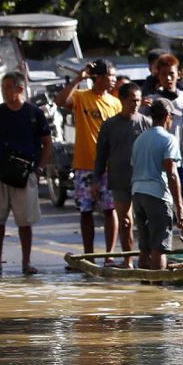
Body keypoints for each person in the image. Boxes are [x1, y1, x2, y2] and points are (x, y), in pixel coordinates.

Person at [56, 57, 121, 256]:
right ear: (99, 78)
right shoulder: (82, 97)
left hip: (109, 167)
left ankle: (109, 255)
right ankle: (89, 254)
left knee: (110, 210)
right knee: (86, 211)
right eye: (110, 76)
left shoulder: (115, 103)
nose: (113, 80)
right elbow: (60, 101)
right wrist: (77, 80)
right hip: (85, 166)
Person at [147, 55, 183, 248]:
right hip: (160, 165)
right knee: (163, 210)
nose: (168, 78)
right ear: (157, 76)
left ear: (178, 75)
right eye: (163, 74)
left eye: (171, 74)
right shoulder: (152, 102)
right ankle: (162, 253)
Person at [129, 99, 183, 269]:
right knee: (159, 248)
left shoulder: (140, 139)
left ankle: (145, 288)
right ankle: (158, 289)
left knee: (144, 247)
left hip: (138, 194)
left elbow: (134, 167)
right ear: (167, 117)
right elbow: (172, 174)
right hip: (157, 195)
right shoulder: (168, 139)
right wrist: (180, 208)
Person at [94, 82, 148, 252]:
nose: (136, 104)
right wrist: (96, 180)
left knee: (144, 220)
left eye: (138, 100)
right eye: (132, 100)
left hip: (143, 180)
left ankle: (145, 257)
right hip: (120, 180)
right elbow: (101, 154)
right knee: (125, 221)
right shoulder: (109, 125)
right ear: (122, 100)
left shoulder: (146, 123)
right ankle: (128, 258)